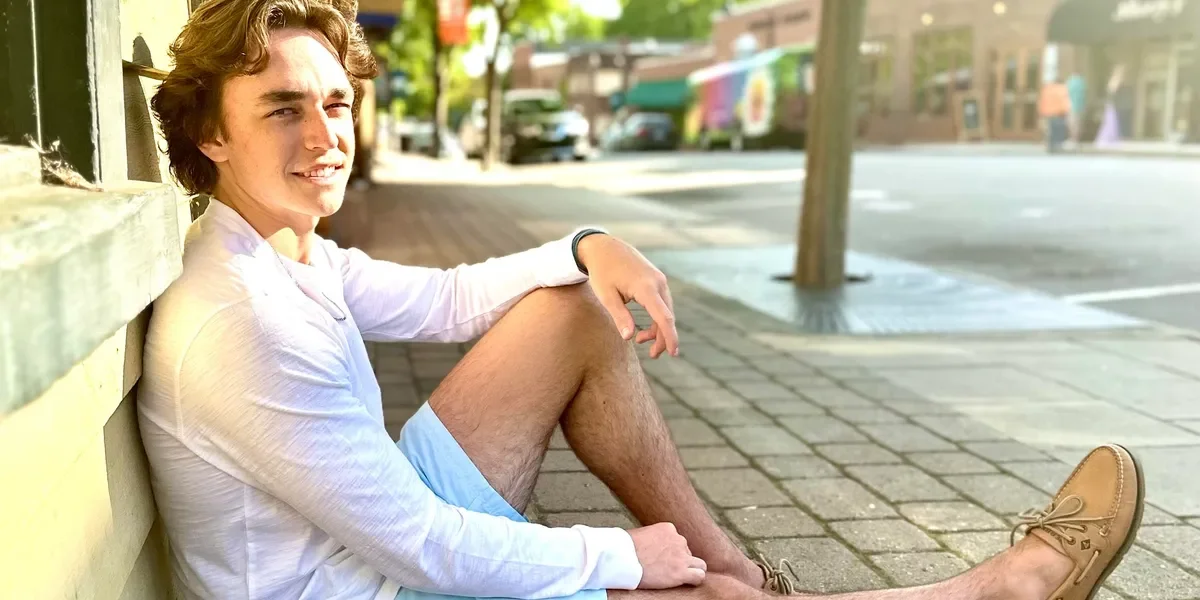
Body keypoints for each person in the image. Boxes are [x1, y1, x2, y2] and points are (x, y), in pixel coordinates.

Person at [138, 1, 1147, 599]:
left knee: (572, 307)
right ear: (211, 136)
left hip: (375, 546)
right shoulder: (242, 318)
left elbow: (450, 301)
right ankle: (997, 589)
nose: (325, 132)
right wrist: (617, 553)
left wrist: (589, 243)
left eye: (336, 101)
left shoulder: (284, 252)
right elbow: (423, 544)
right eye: (282, 108)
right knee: (646, 583)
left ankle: (739, 578)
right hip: (380, 580)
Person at [1038, 77, 1072, 153]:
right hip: (1058, 112)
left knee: (1050, 130)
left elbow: (1042, 101)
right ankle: (1057, 145)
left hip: (1047, 112)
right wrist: (1066, 111)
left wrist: (1041, 111)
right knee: (1058, 130)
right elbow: (1064, 101)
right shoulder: (1062, 89)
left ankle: (1050, 146)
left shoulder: (1047, 89)